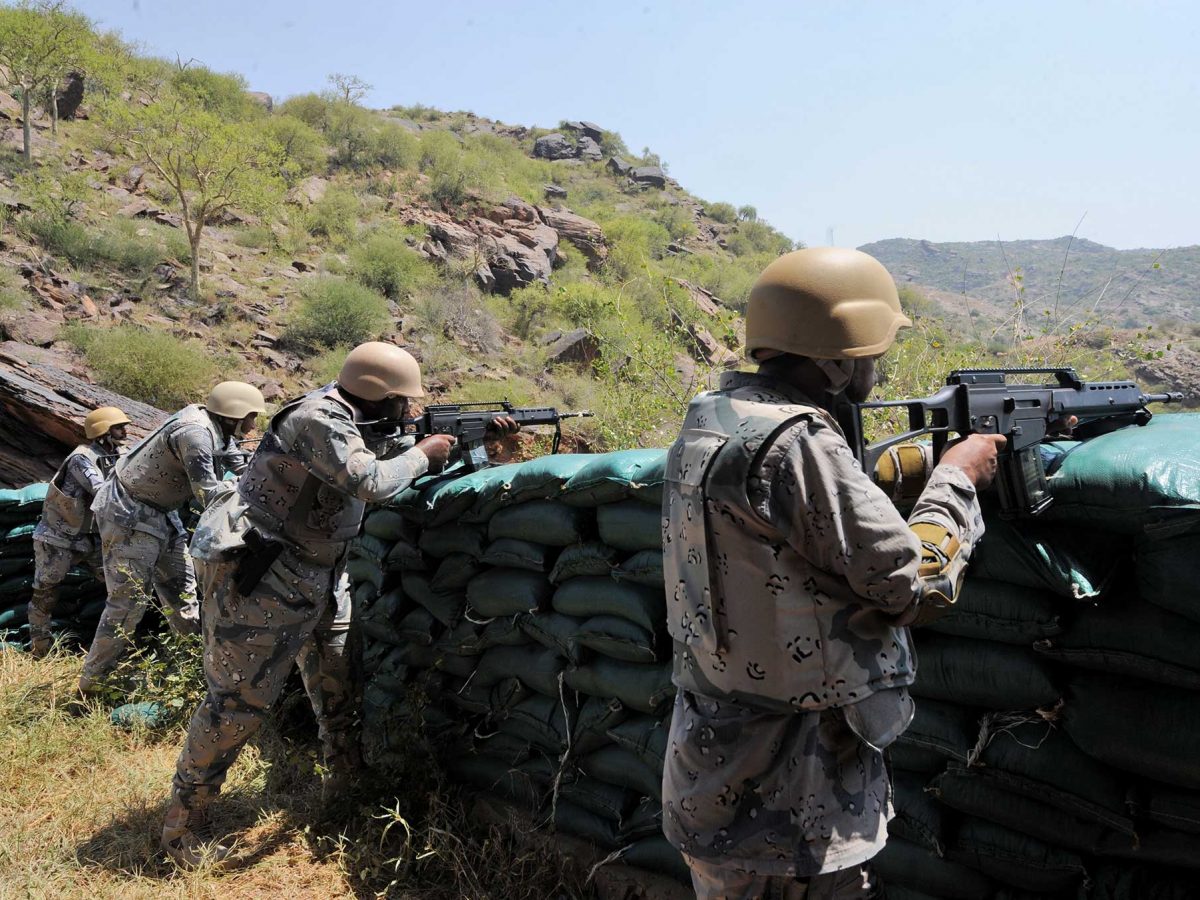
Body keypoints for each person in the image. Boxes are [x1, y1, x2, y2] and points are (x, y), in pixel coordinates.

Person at [660, 247, 1005, 899]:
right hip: (793, 808)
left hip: (710, 780)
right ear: (838, 359)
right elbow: (913, 582)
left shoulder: (711, 420)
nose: (876, 367)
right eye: (871, 353)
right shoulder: (796, 442)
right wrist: (957, 480)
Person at [161, 341, 519, 866]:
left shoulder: (360, 421)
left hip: (323, 575)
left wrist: (484, 446)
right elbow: (372, 481)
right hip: (265, 576)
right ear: (377, 396)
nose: (410, 412)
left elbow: (404, 466)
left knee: (337, 688)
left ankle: (345, 791)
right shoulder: (319, 418)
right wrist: (425, 451)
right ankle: (181, 828)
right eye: (403, 402)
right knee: (236, 705)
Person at [80, 382, 266, 694]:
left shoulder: (219, 429)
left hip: (162, 513)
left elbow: (240, 464)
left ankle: (190, 672)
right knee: (127, 604)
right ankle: (91, 685)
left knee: (184, 598)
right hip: (128, 514)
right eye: (250, 417)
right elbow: (208, 493)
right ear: (233, 415)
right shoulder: (194, 433)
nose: (253, 424)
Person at [29, 407, 130, 658]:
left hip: (92, 539)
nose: (125, 431)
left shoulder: (120, 454)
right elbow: (101, 490)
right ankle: (41, 649)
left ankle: (119, 647)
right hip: (58, 538)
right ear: (103, 431)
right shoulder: (82, 458)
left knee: (121, 589)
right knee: (46, 593)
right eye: (119, 427)